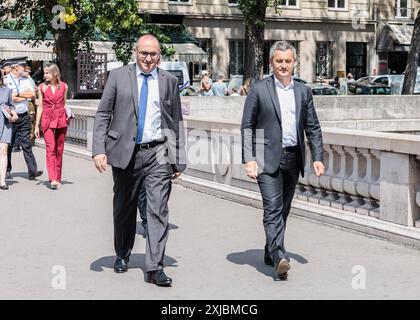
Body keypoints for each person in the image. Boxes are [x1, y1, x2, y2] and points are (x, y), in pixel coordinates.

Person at [92, 34, 186, 287]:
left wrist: (178, 159)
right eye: (144, 53)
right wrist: (98, 149)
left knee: (158, 210)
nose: (148, 58)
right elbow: (103, 114)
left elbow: (175, 120)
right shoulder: (118, 77)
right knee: (125, 206)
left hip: (158, 154)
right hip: (125, 152)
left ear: (160, 55)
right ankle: (122, 253)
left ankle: (155, 267)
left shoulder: (169, 81)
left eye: (153, 54)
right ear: (135, 52)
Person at [241, 40, 324, 280]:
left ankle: (270, 249)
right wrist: (249, 158)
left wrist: (317, 157)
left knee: (284, 208)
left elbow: (313, 127)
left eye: (288, 61)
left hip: (293, 158)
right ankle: (279, 256)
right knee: (273, 207)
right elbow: (247, 125)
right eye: (279, 61)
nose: (284, 65)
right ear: (271, 63)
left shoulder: (303, 91)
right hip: (266, 159)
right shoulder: (259, 89)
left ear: (294, 63)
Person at [4, 60, 43, 181]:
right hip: (10, 117)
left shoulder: (26, 80)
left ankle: (33, 171)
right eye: (23, 66)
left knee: (26, 144)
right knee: (8, 145)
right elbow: (8, 97)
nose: (25, 68)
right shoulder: (5, 80)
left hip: (24, 116)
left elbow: (31, 94)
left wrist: (18, 95)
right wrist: (19, 96)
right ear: (15, 67)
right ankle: (6, 170)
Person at [34, 64, 69, 190]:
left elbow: (65, 104)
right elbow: (40, 106)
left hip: (61, 118)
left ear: (54, 73)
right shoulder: (42, 87)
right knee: (50, 148)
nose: (45, 75)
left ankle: (58, 177)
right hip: (47, 119)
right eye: (44, 73)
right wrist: (36, 125)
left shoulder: (65, 86)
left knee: (59, 149)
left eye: (47, 73)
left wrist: (69, 115)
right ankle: (52, 178)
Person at [0, 72, 19, 190]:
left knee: (3, 150)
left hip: (5, 123)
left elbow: (11, 106)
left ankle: (2, 180)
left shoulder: (7, 90)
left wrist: (14, 113)